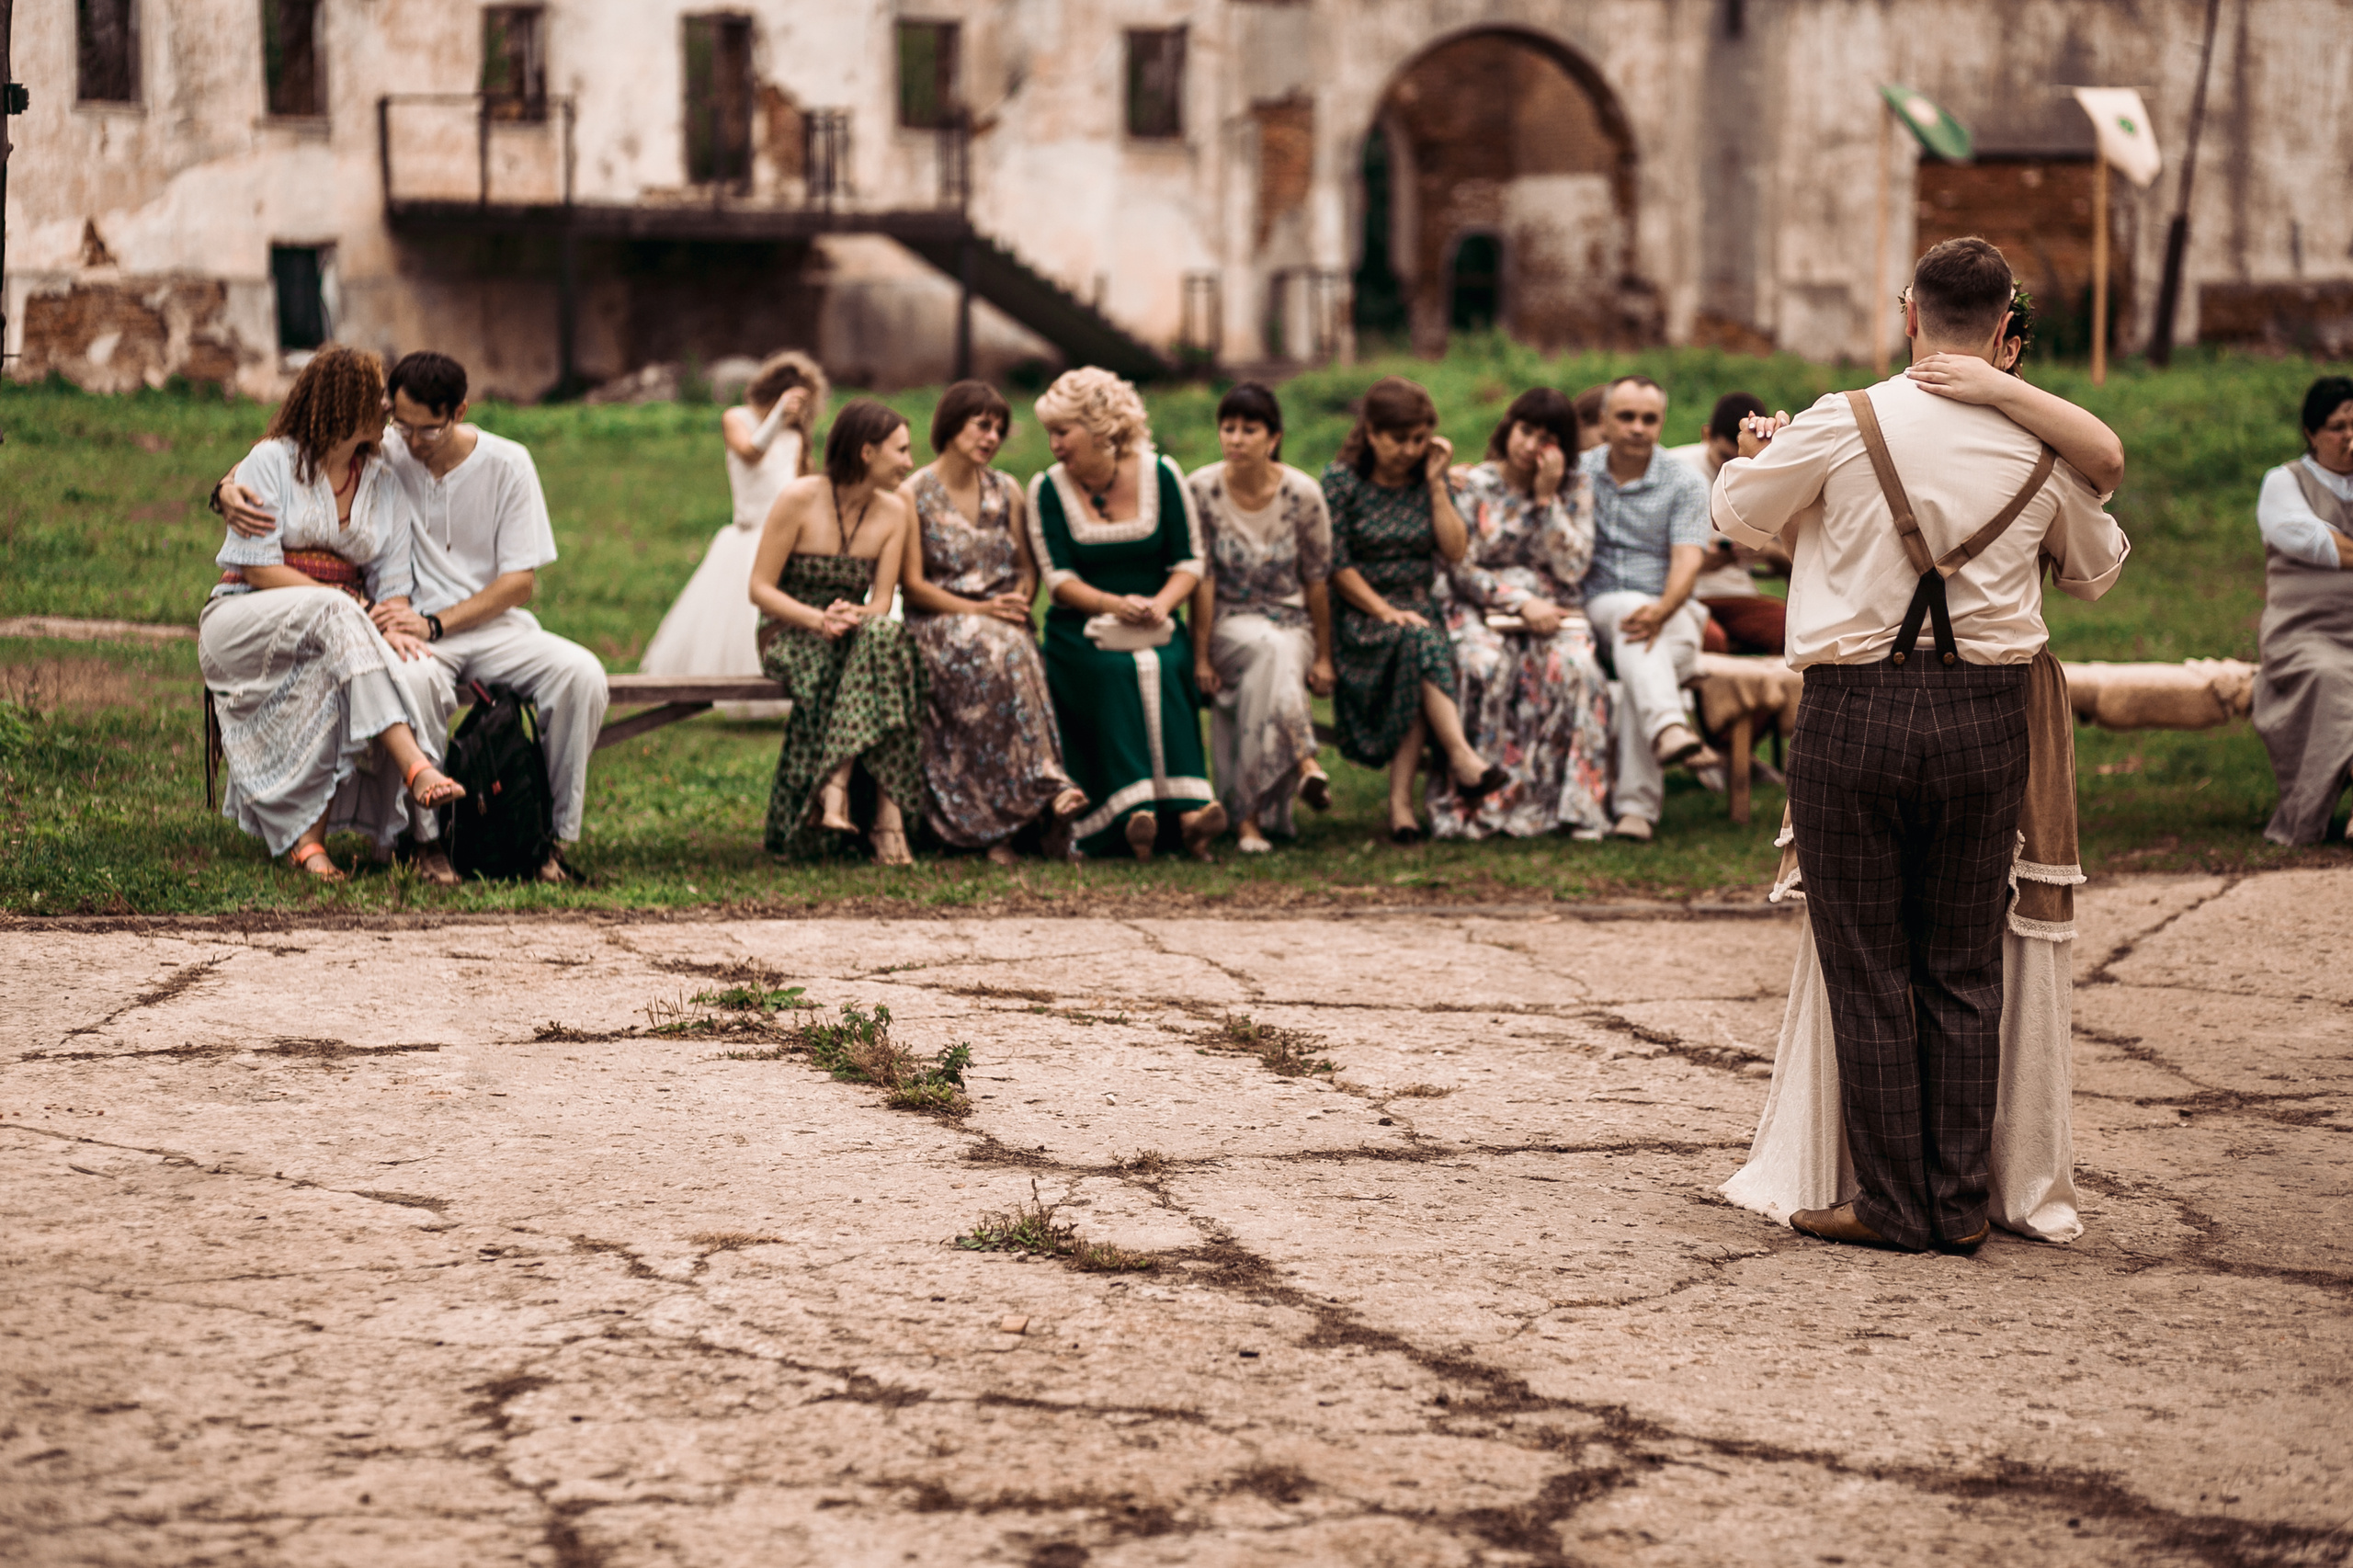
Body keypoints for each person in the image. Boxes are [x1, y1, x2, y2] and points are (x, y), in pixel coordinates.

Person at [1712, 236, 2130, 1254]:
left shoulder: (1842, 420)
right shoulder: (2040, 443)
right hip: (1987, 717)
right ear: (2004, 328)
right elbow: (2096, 570)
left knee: (1866, 964)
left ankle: (1893, 1203)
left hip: (1854, 712)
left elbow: (1738, 516)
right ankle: (1958, 1202)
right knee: (1963, 966)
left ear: (1909, 315)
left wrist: (1759, 456)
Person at [219, 350, 608, 884]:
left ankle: (551, 840)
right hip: (404, 628)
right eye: (402, 425)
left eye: (428, 429)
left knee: (582, 675)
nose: (413, 440)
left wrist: (434, 622)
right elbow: (286, 452)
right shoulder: (387, 451)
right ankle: (426, 843)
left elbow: (520, 583)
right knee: (415, 681)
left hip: (486, 628)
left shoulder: (508, 464)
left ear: (459, 412)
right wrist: (224, 488)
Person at [199, 346, 464, 882]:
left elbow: (391, 586)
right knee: (335, 608)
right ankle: (414, 764)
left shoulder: (383, 481)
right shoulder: (273, 462)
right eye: (376, 397)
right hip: (246, 618)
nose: (386, 407)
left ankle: (310, 844)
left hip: (339, 629)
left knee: (348, 669)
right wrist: (353, 605)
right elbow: (258, 569)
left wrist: (391, 622)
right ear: (344, 404)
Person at [1026, 368, 1225, 862]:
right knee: (1114, 671)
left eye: (1062, 431)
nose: (1054, 445)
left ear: (1101, 430)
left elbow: (1190, 561)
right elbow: (1059, 580)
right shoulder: (1047, 489)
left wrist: (1161, 604)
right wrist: (1113, 604)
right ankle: (1127, 814)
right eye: (1051, 432)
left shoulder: (1162, 474)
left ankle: (1188, 814)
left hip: (1156, 621)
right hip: (1081, 630)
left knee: (1164, 664)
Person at [901, 380, 1086, 864]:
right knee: (1003, 650)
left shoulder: (1007, 490)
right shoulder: (913, 493)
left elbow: (1027, 567)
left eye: (999, 430)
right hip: (939, 621)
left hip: (1002, 624)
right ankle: (1032, 797)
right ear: (951, 424)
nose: (992, 438)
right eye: (982, 425)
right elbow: (913, 585)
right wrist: (980, 611)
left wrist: (1020, 601)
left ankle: (1028, 807)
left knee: (1009, 647)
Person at [1323, 376, 1506, 844]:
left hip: (1417, 608)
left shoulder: (1427, 482)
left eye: (1420, 439)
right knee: (1420, 641)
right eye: (1399, 439)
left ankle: (1402, 805)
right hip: (1361, 612)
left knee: (1419, 644)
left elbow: (1455, 549)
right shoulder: (1342, 483)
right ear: (1371, 434)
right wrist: (1385, 611)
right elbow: (1336, 565)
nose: (1410, 450)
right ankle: (1458, 758)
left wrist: (1436, 484)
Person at [1429, 387, 1613, 839]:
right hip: (1481, 603)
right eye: (1525, 431)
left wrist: (1547, 500)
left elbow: (1573, 566)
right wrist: (1518, 601)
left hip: (1555, 606)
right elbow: (1460, 567)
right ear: (1509, 428)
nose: (1531, 446)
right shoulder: (1475, 485)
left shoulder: (1575, 488)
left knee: (1576, 667)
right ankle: (1482, 799)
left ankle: (1566, 807)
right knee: (1483, 664)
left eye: (1546, 439)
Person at [752, 398, 926, 865]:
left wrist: (852, 616)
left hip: (853, 631)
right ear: (867, 452)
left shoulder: (895, 511)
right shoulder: (799, 498)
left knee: (882, 637)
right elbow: (760, 589)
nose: (910, 463)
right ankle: (885, 819)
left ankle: (835, 788)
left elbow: (882, 603)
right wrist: (817, 620)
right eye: (901, 451)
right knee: (872, 658)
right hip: (789, 629)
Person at [1188, 382, 1336, 854]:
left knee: (1274, 659)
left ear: (1274, 438)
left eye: (1248, 430)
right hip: (1228, 623)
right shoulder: (1201, 490)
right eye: (1228, 428)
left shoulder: (1303, 494)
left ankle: (1247, 818)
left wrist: (1325, 656)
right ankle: (1304, 760)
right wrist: (1201, 657)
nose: (1235, 439)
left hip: (1292, 622)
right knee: (1270, 652)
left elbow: (1317, 579)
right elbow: (1203, 579)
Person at [639, 350, 825, 715]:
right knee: (737, 621)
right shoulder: (736, 419)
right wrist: (778, 416)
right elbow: (751, 453)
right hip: (747, 534)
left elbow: (800, 486)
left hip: (786, 536)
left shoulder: (794, 435)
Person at [1581, 375, 1718, 843]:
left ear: (1661, 423)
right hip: (1601, 608)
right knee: (1632, 619)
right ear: (1604, 421)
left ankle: (1640, 798)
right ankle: (1666, 730)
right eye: (1626, 417)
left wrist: (1661, 610)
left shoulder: (1684, 481)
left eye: (1649, 418)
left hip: (1674, 613)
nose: (1638, 427)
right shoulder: (1578, 474)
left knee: (1641, 658)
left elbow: (1687, 561)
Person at [2252, 375, 2353, 844]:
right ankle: (2312, 812)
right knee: (2333, 680)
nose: (2350, 437)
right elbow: (2312, 540)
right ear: (2311, 433)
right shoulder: (2284, 481)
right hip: (2305, 636)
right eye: (2338, 427)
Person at [1666, 391, 1790, 655]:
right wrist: (1694, 560)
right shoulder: (1676, 470)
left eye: (1744, 459)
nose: (1734, 467)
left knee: (1791, 631)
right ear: (1706, 435)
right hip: (1685, 594)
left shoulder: (1773, 475)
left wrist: (1770, 553)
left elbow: (1799, 561)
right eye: (1725, 457)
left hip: (1737, 593)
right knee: (1711, 640)